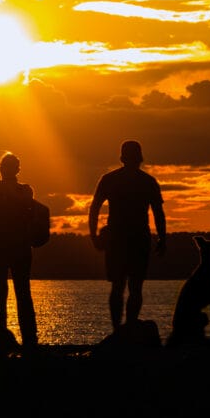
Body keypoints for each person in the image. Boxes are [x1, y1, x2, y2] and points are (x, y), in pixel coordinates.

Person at [88, 140, 167, 334]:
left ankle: (122, 329)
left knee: (123, 286)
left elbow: (158, 212)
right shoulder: (145, 181)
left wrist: (94, 235)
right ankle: (124, 328)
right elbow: (158, 213)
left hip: (128, 239)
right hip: (128, 239)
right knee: (130, 286)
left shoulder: (114, 179)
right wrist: (162, 238)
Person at [0, 152, 38, 350]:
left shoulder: (24, 189)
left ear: (17, 169)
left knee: (22, 293)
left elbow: (25, 203)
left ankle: (29, 339)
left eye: (12, 166)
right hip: (0, 247)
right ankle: (1, 336)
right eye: (6, 166)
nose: (8, 169)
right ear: (1, 168)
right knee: (1, 294)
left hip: (19, 248)